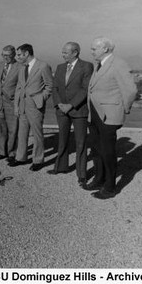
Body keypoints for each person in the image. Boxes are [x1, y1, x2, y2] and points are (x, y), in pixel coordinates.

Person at [85, 37, 137, 199]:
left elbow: (130, 91)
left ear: (105, 49)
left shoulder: (119, 64)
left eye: (94, 49)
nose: (92, 51)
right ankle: (99, 179)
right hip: (94, 114)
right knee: (96, 148)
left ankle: (110, 187)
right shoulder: (99, 64)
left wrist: (122, 110)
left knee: (108, 151)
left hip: (109, 116)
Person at [50, 42, 93, 188]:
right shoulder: (60, 67)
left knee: (81, 143)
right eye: (62, 52)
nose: (62, 55)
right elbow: (55, 87)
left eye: (65, 52)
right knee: (62, 139)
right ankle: (61, 167)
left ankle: (81, 174)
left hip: (78, 110)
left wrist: (71, 105)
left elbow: (85, 89)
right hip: (61, 110)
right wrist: (59, 104)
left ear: (75, 53)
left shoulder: (86, 66)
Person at [11, 43, 53, 171]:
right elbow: (19, 87)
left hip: (35, 106)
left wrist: (41, 98)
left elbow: (49, 86)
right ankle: (20, 158)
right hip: (22, 105)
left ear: (26, 53)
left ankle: (38, 160)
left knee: (37, 134)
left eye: (19, 54)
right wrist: (16, 106)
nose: (17, 57)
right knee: (22, 133)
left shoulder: (43, 66)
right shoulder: (22, 67)